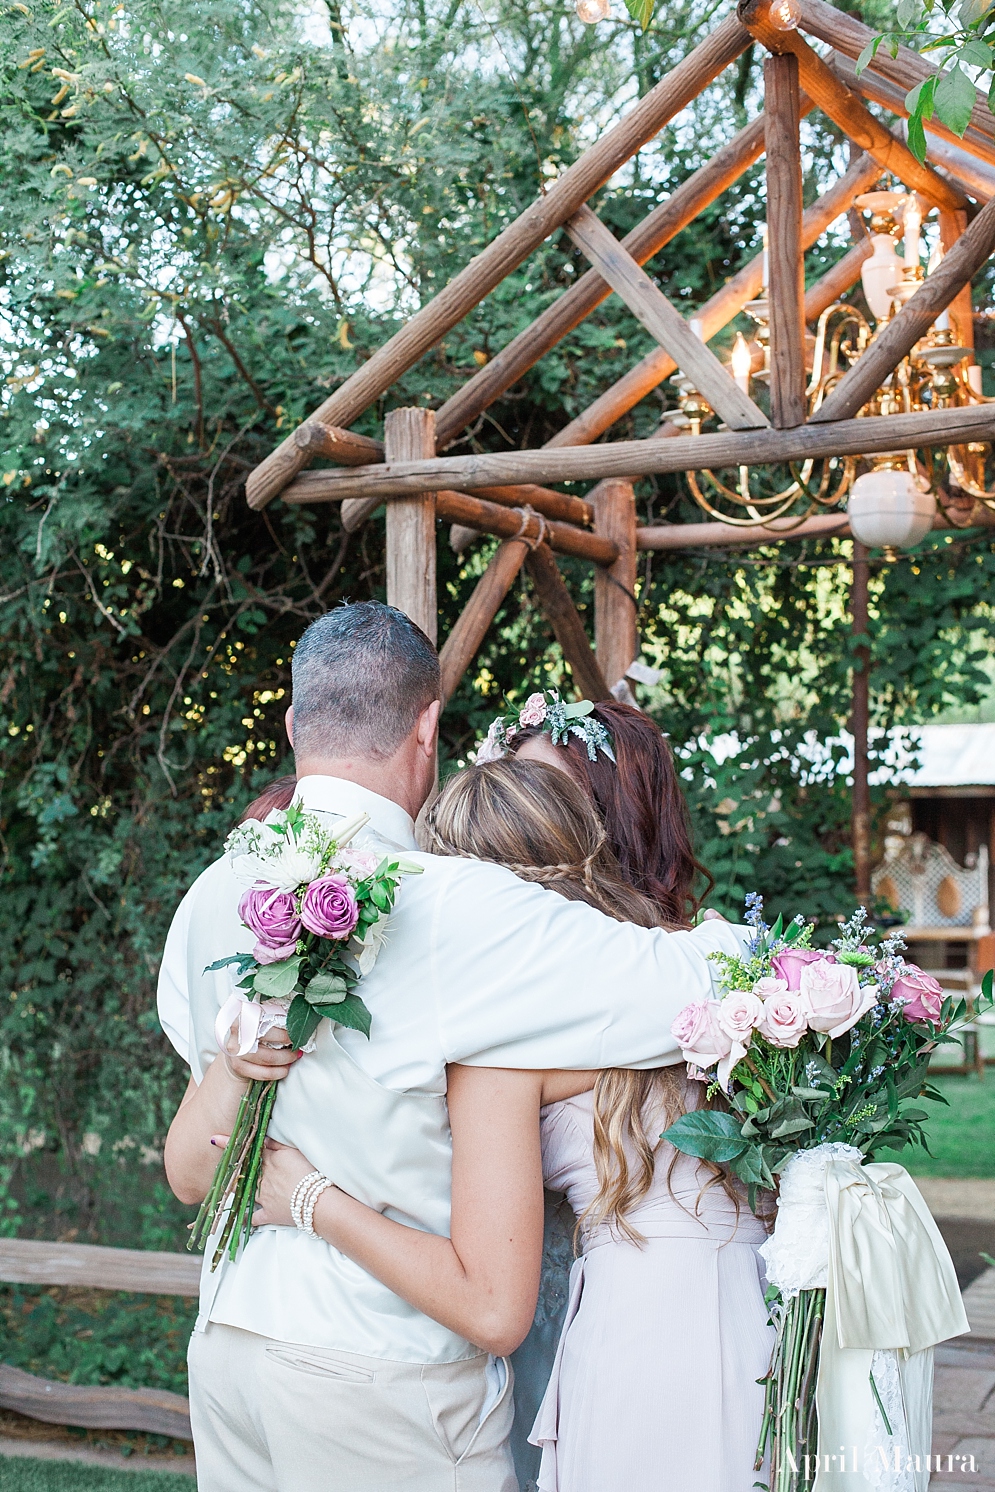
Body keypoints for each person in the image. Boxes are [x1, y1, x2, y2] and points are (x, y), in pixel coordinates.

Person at [158, 601, 748, 1492]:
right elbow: (702, 993)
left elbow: (200, 1157)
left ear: (291, 725)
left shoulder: (210, 899)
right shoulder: (461, 909)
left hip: (234, 1345)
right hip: (380, 1369)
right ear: (429, 725)